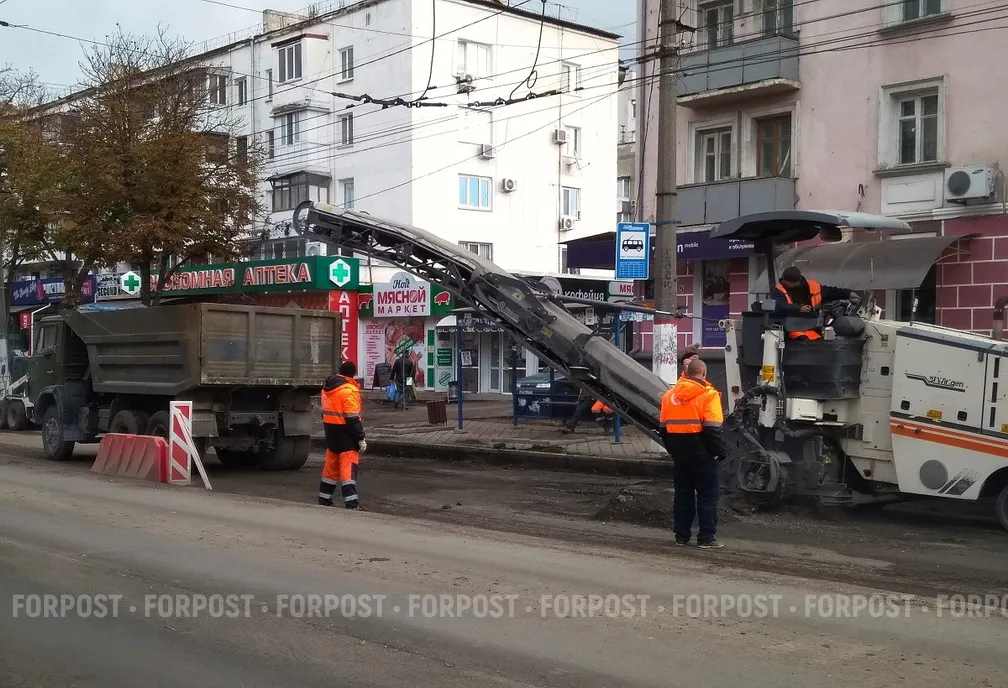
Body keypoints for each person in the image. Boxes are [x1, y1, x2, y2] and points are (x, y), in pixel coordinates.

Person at [659, 358, 726, 548]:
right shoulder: (709, 395)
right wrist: (719, 452)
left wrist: (673, 450)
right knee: (707, 496)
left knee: (682, 495)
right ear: (703, 373)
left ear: (686, 373)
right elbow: (713, 430)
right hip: (702, 452)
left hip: (680, 453)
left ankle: (681, 536)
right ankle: (706, 538)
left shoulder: (669, 395)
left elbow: (663, 429)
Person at [319, 361, 366, 509]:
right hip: (346, 436)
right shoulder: (349, 390)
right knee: (348, 471)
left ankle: (324, 498)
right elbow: (352, 419)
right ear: (353, 374)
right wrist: (360, 437)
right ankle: (351, 503)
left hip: (331, 434)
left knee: (330, 469)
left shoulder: (327, 389)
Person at [773, 266, 860, 340]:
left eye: (787, 282)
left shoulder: (813, 287)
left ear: (797, 282)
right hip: (792, 329)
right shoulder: (779, 291)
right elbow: (779, 305)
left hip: (812, 328)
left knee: (822, 345)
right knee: (807, 342)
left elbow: (831, 292)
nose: (783, 283)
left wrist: (848, 293)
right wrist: (798, 308)